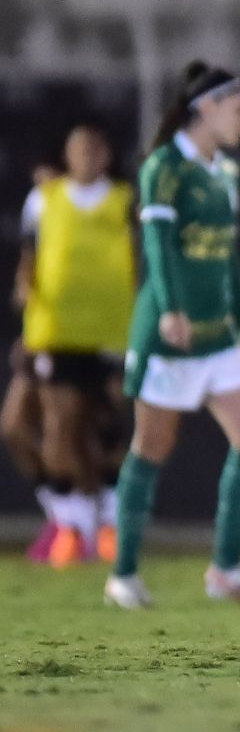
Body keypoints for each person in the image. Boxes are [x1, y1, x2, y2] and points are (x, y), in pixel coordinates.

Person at [103, 60, 240, 609]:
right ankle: (123, 574)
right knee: (152, 449)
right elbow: (155, 247)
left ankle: (226, 569)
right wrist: (170, 310)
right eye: (239, 109)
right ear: (206, 108)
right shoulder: (164, 167)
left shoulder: (226, 172)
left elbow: (228, 260)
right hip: (169, 335)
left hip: (218, 336)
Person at [18, 126, 134, 568]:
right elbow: (29, 256)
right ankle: (73, 528)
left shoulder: (126, 201)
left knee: (108, 426)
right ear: (67, 156)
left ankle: (109, 522)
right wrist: (24, 287)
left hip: (111, 332)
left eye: (92, 149)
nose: (85, 156)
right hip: (58, 330)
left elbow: (142, 260)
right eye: (77, 150)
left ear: (105, 155)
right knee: (60, 425)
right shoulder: (44, 198)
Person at [3, 164, 62, 561]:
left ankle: (90, 527)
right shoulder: (41, 204)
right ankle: (63, 515)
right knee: (15, 427)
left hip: (92, 338)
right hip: (44, 335)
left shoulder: (108, 207)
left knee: (77, 432)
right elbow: (33, 264)